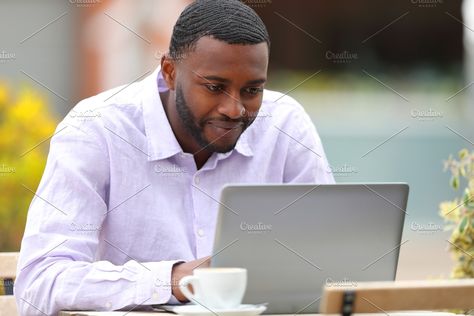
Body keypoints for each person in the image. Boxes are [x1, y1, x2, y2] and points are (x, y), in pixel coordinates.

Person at [15, 0, 334, 314]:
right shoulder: (96, 129)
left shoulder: (285, 125)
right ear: (169, 71)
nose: (234, 109)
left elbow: (328, 257)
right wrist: (174, 280)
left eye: (252, 90)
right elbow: (41, 283)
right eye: (214, 86)